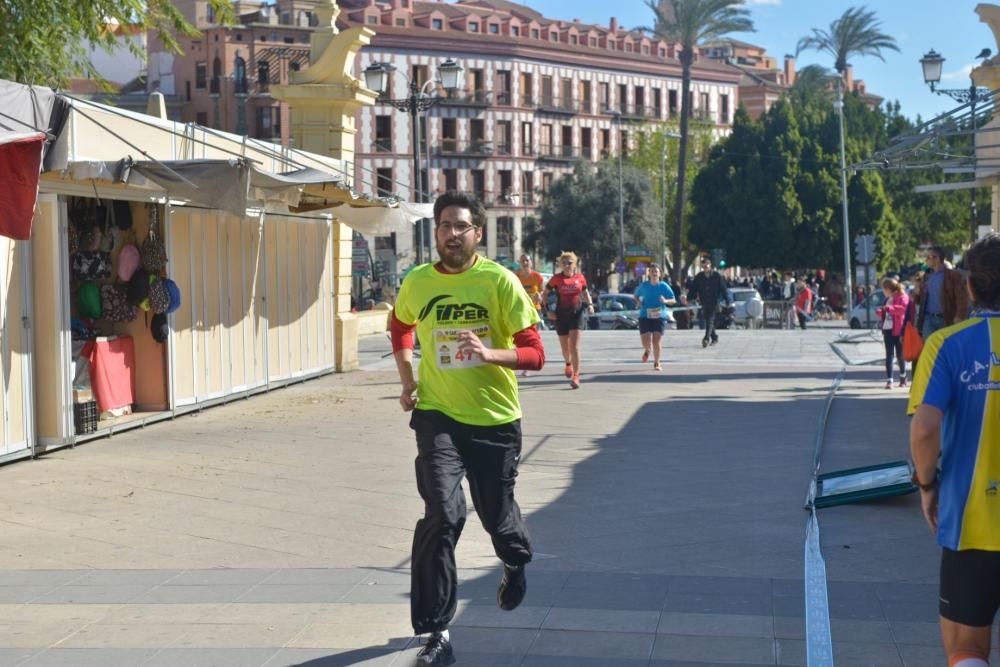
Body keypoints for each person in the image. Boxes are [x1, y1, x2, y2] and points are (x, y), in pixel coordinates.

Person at [390, 191, 545, 666]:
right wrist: (407, 380)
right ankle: (435, 632)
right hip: (437, 415)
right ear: (435, 232)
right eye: (444, 226)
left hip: (495, 420)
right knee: (441, 513)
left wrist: (489, 353)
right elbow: (399, 327)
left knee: (498, 516)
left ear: (478, 232)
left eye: (461, 226)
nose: (451, 234)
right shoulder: (418, 281)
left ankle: (515, 561)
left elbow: (535, 353)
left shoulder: (499, 282)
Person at [908, 233, 1000, 667]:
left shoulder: (947, 345)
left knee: (967, 650)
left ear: (970, 286)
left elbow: (925, 428)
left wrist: (926, 484)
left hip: (972, 523)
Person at [541, 251, 594, 389]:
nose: (567, 265)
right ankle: (568, 364)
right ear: (560, 265)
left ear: (575, 264)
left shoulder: (580, 278)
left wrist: (590, 305)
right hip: (560, 315)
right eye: (564, 263)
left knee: (574, 347)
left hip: (577, 313)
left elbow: (585, 292)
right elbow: (544, 294)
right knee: (565, 348)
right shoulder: (556, 279)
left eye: (569, 263)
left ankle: (576, 376)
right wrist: (548, 311)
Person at [916, 246, 969, 340]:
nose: (926, 260)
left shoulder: (953, 276)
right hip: (928, 319)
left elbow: (962, 298)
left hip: (946, 319)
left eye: (928, 257)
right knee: (930, 350)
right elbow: (920, 300)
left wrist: (960, 316)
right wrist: (916, 294)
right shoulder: (926, 277)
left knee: (946, 349)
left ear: (937, 258)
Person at [634, 264, 676, 370]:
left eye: (656, 271)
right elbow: (635, 296)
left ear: (660, 274)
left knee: (656, 340)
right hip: (645, 316)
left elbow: (673, 300)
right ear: (649, 273)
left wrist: (665, 301)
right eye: (652, 271)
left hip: (659, 316)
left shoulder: (664, 286)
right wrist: (638, 302)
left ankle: (657, 362)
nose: (654, 273)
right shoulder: (644, 286)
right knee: (646, 342)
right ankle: (647, 350)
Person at [875, 276, 910, 389]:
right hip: (888, 330)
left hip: (899, 330)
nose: (883, 292)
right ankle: (890, 380)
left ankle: (903, 378)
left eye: (884, 289)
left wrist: (889, 308)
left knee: (900, 355)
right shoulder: (887, 299)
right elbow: (887, 313)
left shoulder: (902, 296)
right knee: (889, 355)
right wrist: (881, 312)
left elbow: (903, 309)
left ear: (888, 289)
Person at [688, 256, 730, 347]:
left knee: (710, 320)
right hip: (704, 301)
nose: (705, 267)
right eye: (704, 266)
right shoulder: (699, 277)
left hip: (714, 301)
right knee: (708, 320)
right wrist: (689, 298)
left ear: (710, 265)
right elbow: (694, 288)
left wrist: (727, 301)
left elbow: (723, 289)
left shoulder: (717, 276)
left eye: (707, 265)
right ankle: (714, 337)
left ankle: (706, 339)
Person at [514, 254, 544, 376]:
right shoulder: (516, 277)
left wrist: (540, 295)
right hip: (520, 309)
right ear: (520, 262)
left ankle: (529, 365)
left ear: (531, 262)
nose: (525, 262)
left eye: (527, 260)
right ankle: (523, 361)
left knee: (532, 335)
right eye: (523, 261)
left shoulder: (537, 276)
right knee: (520, 335)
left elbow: (542, 291)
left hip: (534, 309)